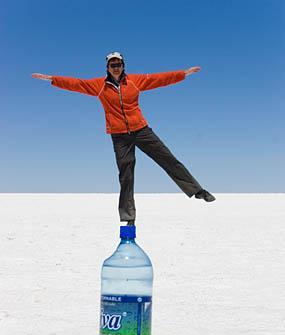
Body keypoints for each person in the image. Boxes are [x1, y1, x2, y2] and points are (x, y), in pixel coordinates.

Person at [32, 51, 215, 225]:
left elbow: (159, 79)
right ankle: (129, 216)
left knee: (168, 159)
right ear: (107, 67)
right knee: (125, 176)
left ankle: (198, 191)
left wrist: (182, 74)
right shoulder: (99, 85)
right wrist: (52, 79)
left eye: (118, 64)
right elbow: (77, 83)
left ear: (123, 65)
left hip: (141, 130)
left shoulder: (135, 81)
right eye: (112, 65)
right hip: (119, 137)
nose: (116, 67)